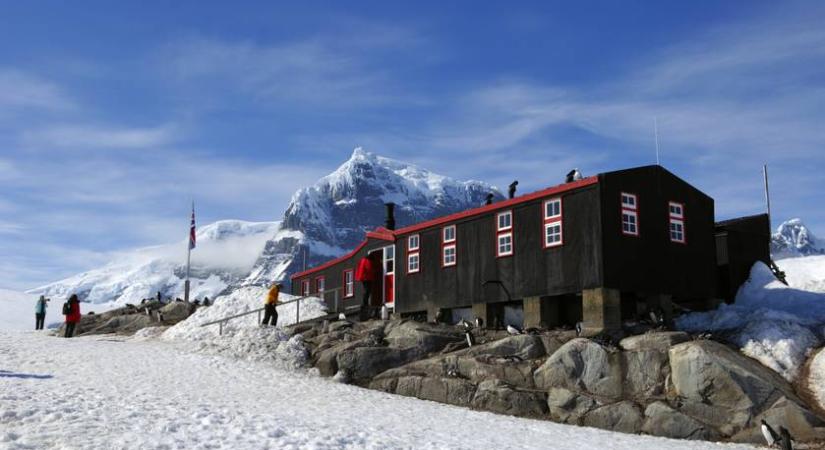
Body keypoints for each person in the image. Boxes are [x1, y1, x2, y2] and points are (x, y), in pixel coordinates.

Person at [355, 254, 380, 320]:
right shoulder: (368, 261)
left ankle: (365, 303)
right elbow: (369, 269)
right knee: (367, 290)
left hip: (363, 277)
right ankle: (365, 303)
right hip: (367, 278)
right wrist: (375, 271)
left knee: (366, 290)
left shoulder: (362, 260)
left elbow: (359, 268)